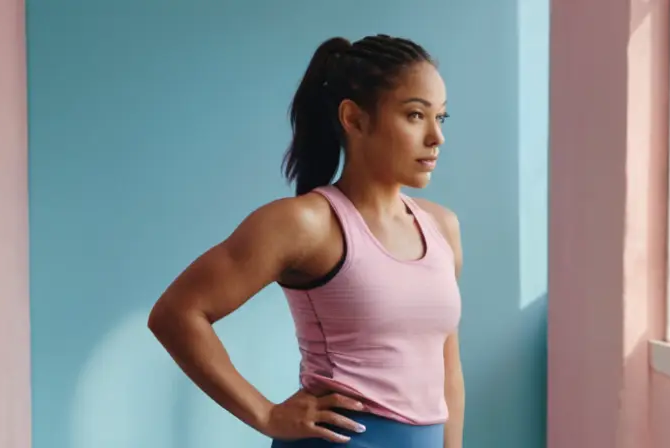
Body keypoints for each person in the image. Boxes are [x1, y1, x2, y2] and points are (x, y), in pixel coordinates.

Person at [148, 34, 464, 448]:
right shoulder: (305, 223)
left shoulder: (442, 227)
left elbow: (447, 366)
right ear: (354, 118)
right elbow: (176, 313)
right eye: (415, 115)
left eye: (440, 118)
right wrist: (265, 414)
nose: (435, 137)